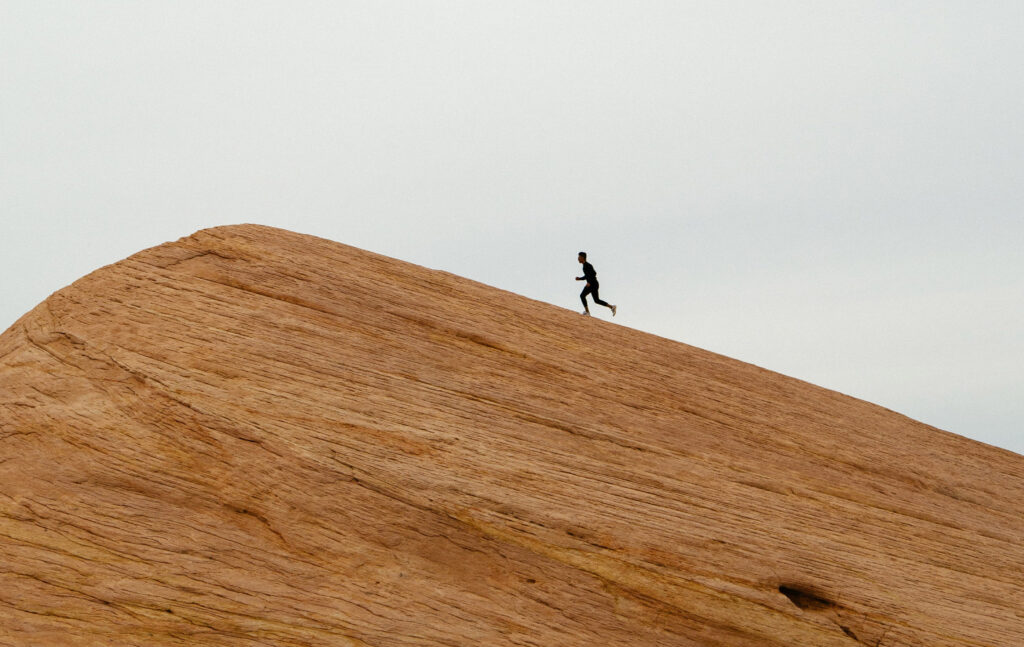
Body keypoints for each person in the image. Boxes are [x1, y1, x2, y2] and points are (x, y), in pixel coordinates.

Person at [576, 252, 617, 317]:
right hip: (594, 284)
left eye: (579, 257)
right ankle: (612, 307)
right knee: (596, 300)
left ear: (582, 257)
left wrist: (589, 282)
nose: (578, 258)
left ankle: (587, 312)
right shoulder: (584, 266)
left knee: (582, 295)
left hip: (593, 284)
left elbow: (594, 273)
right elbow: (587, 276)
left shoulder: (587, 265)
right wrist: (580, 278)